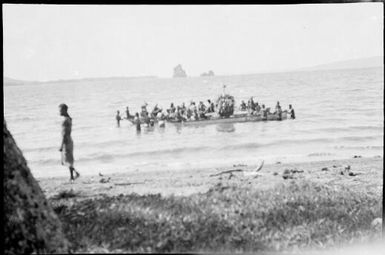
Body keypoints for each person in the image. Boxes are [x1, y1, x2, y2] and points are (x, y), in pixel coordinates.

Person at [59, 103, 80, 183]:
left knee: (66, 161)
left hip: (66, 140)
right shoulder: (69, 118)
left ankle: (74, 175)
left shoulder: (65, 120)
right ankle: (73, 175)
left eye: (60, 110)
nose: (59, 112)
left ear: (64, 110)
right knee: (68, 159)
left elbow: (64, 134)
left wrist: (61, 145)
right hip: (69, 140)